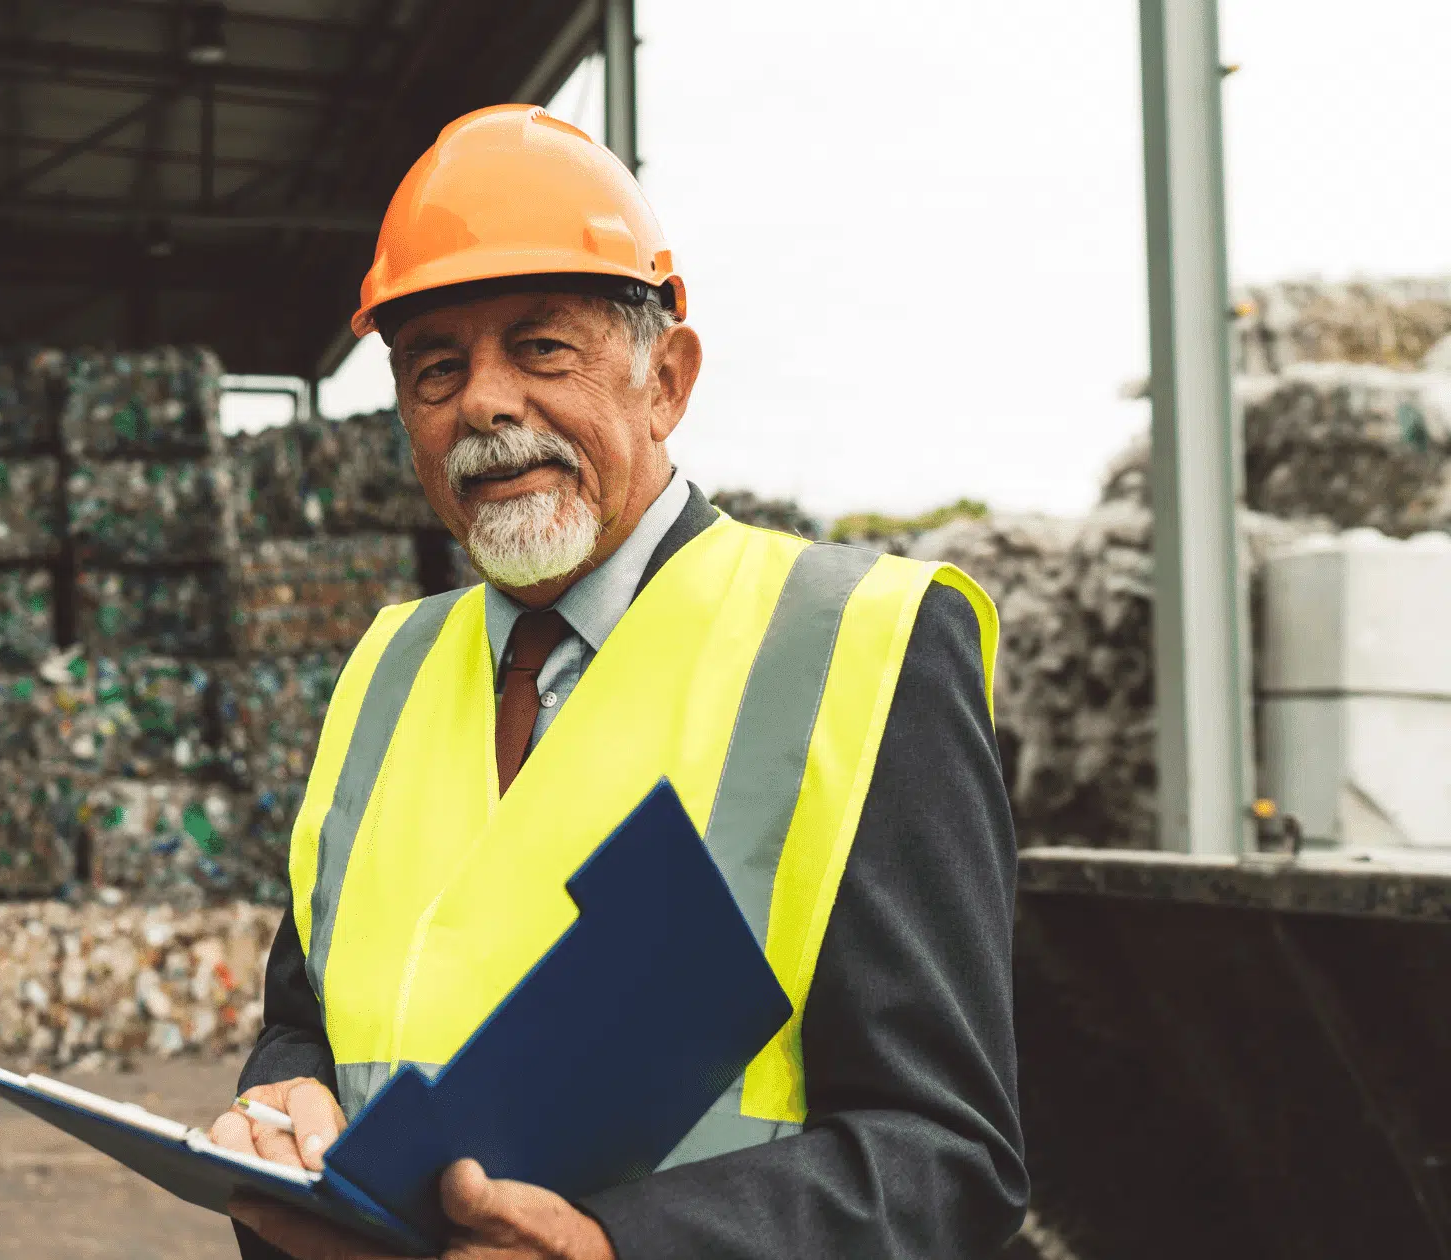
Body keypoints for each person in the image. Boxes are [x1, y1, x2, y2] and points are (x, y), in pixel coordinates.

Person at [208, 104, 1026, 1259]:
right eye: (435, 368)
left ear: (666, 380)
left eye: (540, 347)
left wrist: (617, 1247)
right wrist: (280, 1102)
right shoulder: (384, 668)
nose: (482, 403)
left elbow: (947, 1156)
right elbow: (305, 1023)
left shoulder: (862, 645)